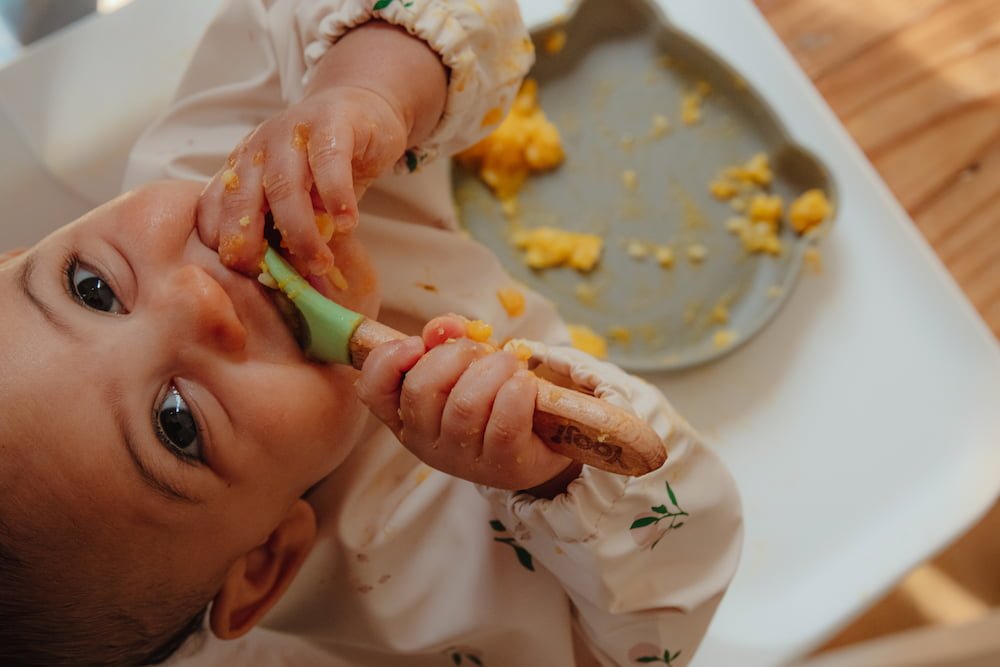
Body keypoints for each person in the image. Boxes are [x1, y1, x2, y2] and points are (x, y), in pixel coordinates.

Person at [0, 1, 743, 665]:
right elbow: (655, 622)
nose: (198, 298)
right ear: (263, 563)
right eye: (177, 423)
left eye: (90, 289)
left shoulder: (222, 162)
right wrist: (549, 479)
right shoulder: (405, 573)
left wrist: (368, 84)